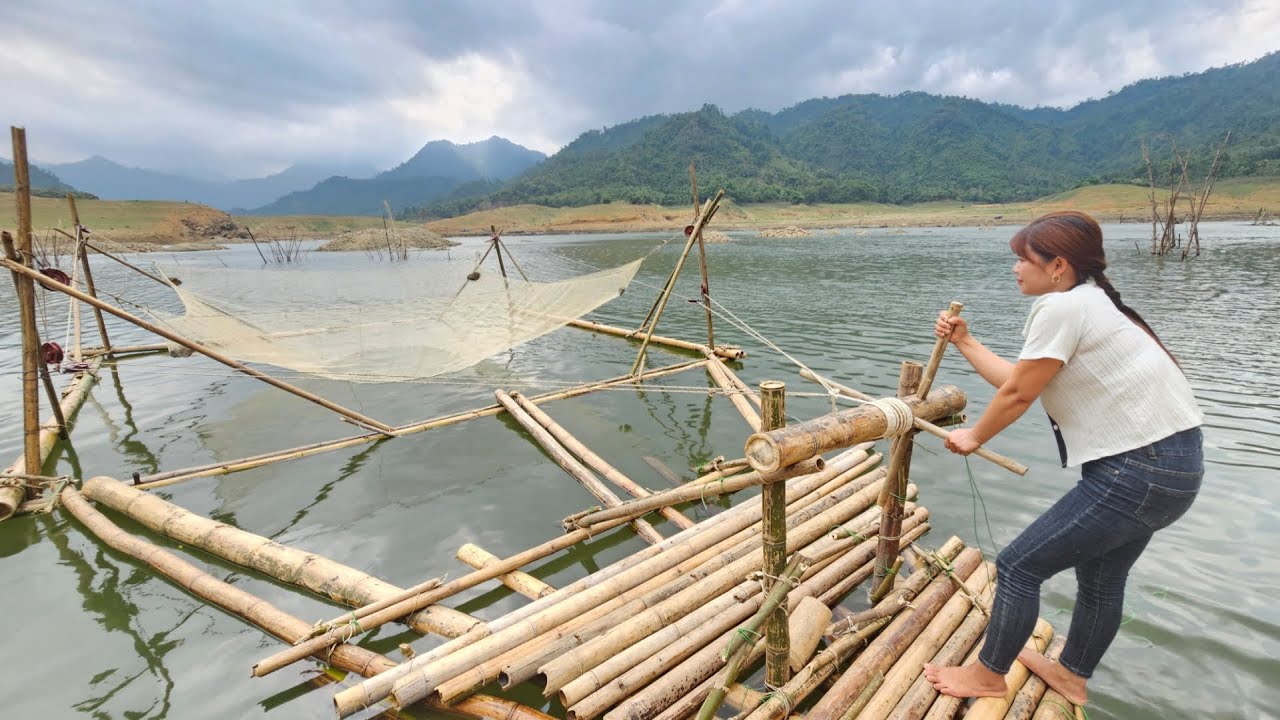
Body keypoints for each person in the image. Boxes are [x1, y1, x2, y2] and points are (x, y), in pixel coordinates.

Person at [921, 211, 1204, 706]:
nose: (1015, 269)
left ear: (1058, 267)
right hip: (1175, 469)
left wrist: (975, 435)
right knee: (1102, 576)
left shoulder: (1062, 309)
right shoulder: (1091, 303)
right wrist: (964, 340)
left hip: (1137, 471)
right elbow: (1020, 381)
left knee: (1018, 565)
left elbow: (1015, 399)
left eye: (1023, 259)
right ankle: (1073, 675)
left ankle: (990, 674)